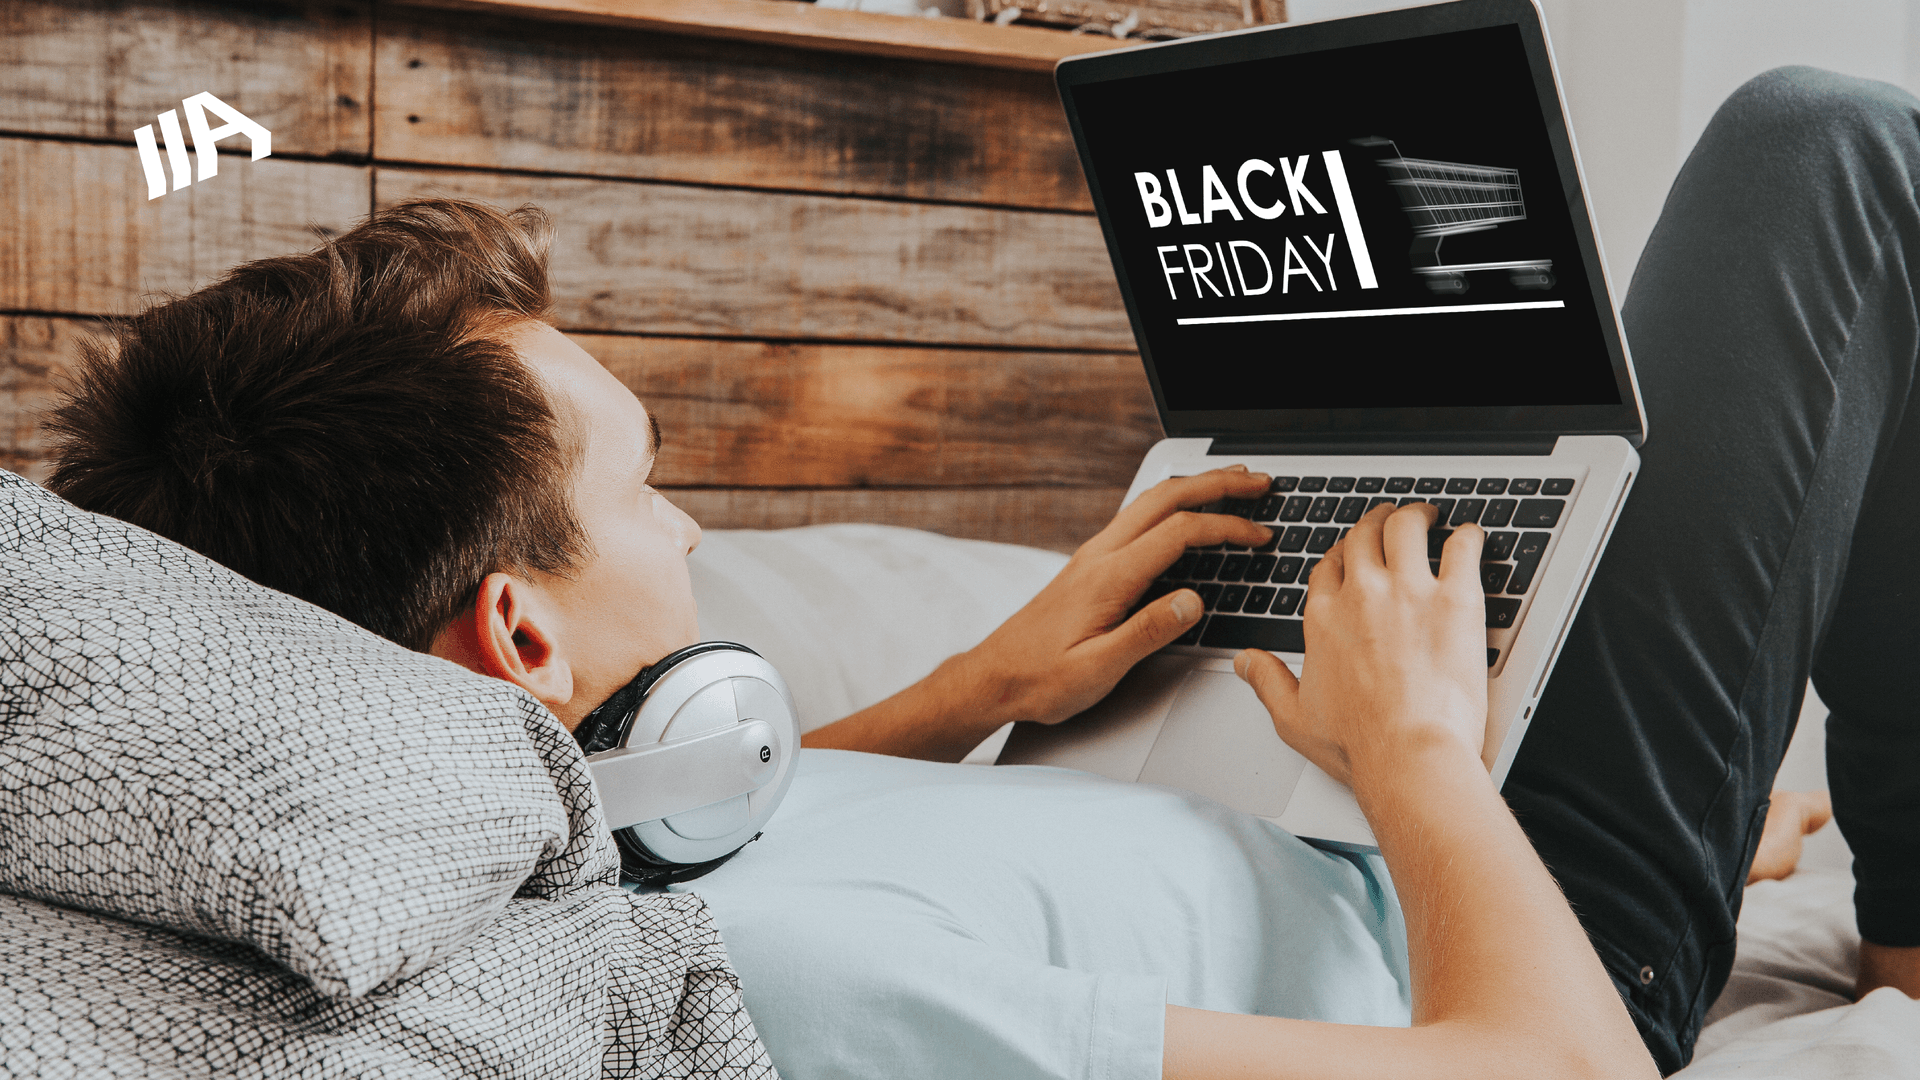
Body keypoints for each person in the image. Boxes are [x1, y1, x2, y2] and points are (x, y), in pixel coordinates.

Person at [37, 65, 1915, 1077]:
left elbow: (704, 825)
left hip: (1361, 796)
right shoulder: (769, 982)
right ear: (518, 629)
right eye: (653, 488)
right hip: (1522, 937)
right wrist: (1416, 754)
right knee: (1817, 159)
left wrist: (988, 688)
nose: (694, 537)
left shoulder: (560, 858)